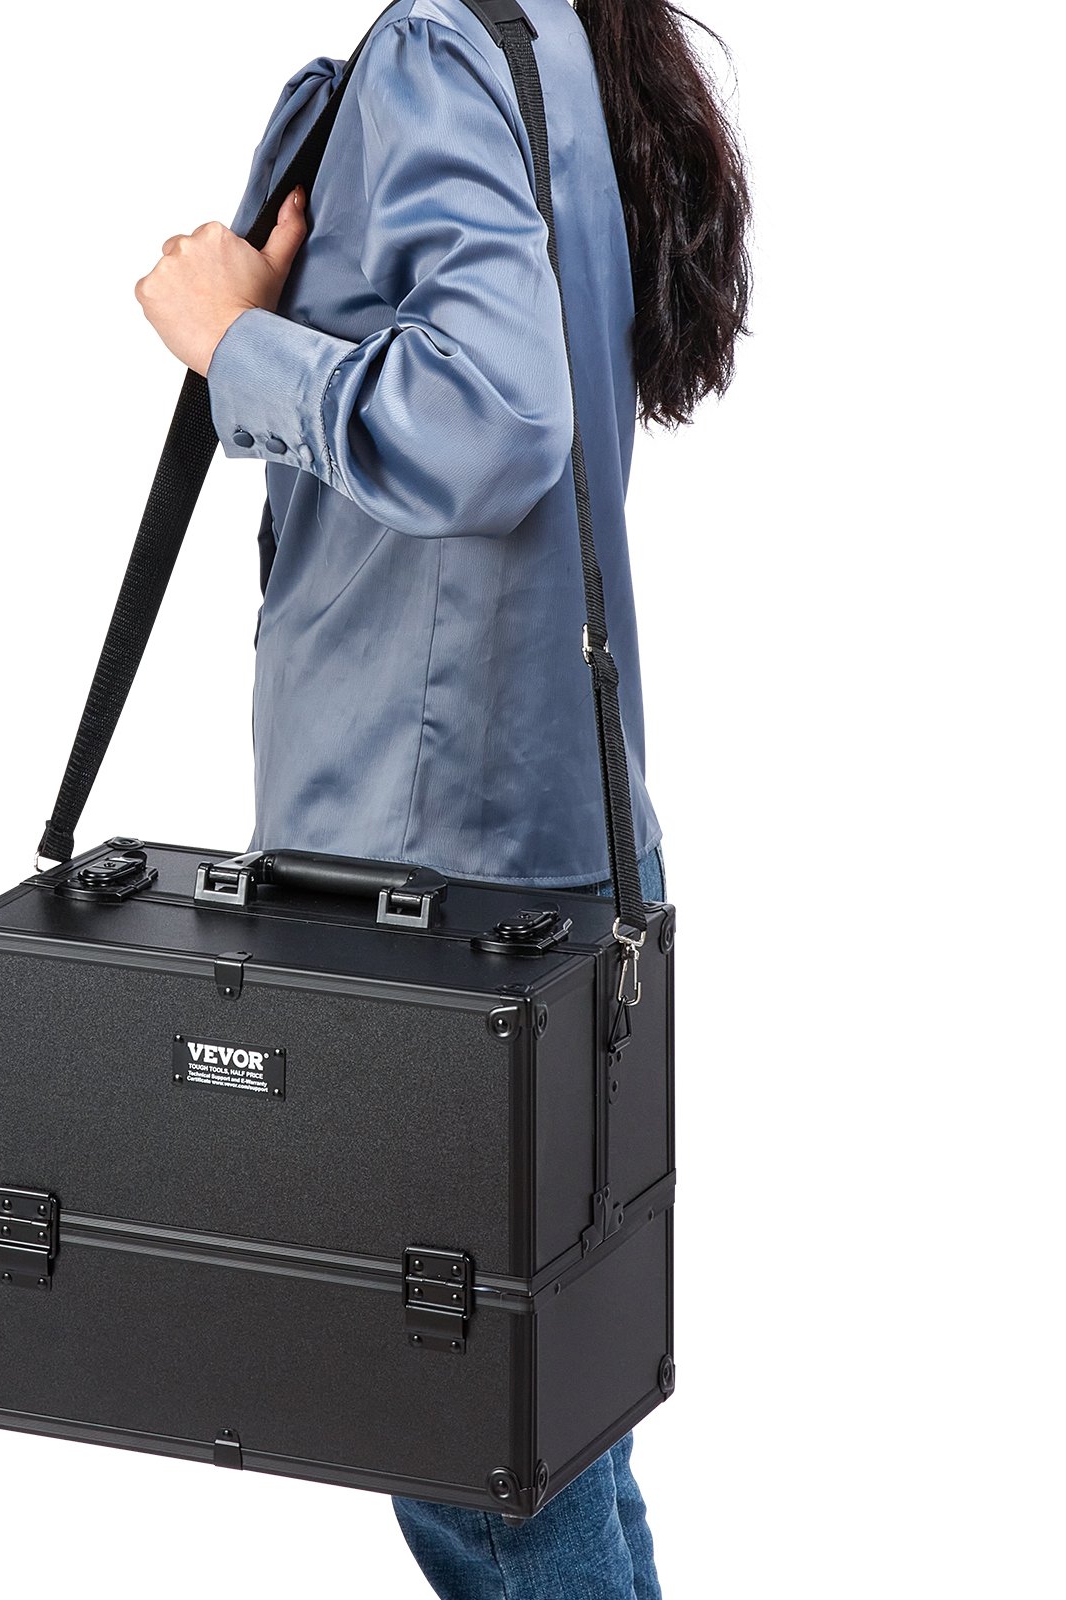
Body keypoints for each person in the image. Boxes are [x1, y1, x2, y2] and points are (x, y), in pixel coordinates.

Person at [133, 0, 749, 1593]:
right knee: (550, 1436)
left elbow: (497, 422)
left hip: (430, 877)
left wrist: (233, 342)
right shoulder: (544, 34)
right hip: (535, 840)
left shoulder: (436, 48)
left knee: (482, 1471)